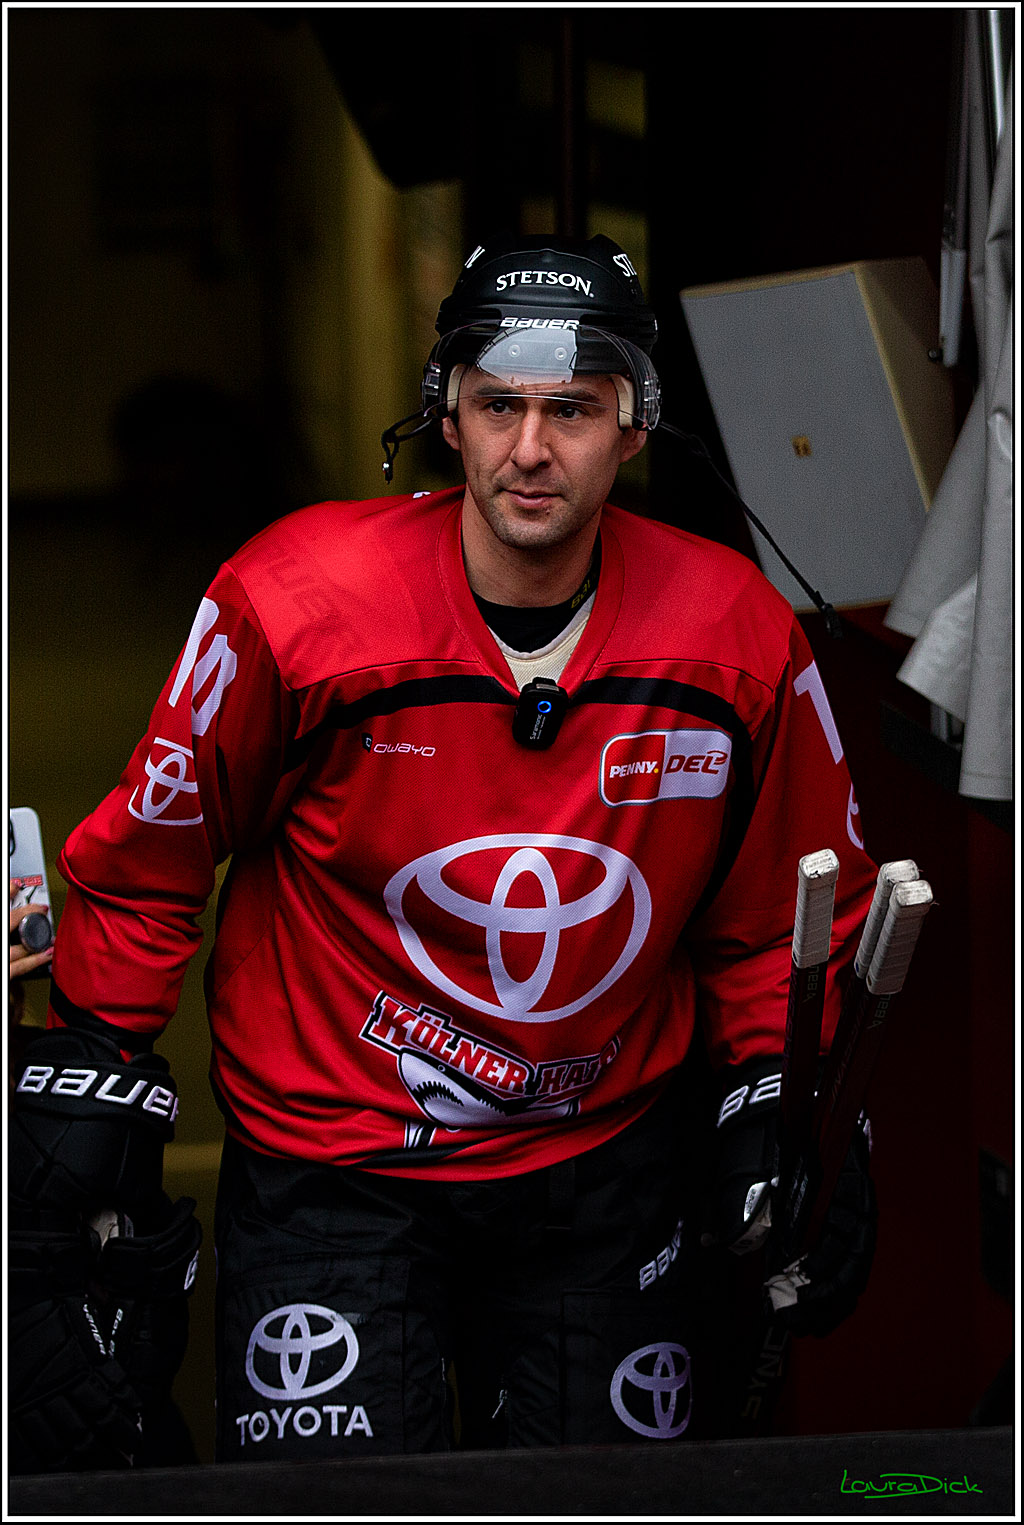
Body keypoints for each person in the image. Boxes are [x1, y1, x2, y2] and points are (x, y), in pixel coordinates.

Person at [10, 234, 878, 1465]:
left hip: (604, 1168)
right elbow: (149, 854)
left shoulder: (731, 632)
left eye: (572, 410)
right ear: (446, 416)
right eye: (498, 406)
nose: (530, 449)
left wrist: (784, 1095)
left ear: (635, 428)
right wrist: (96, 1051)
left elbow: (787, 911)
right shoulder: (293, 604)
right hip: (335, 1164)